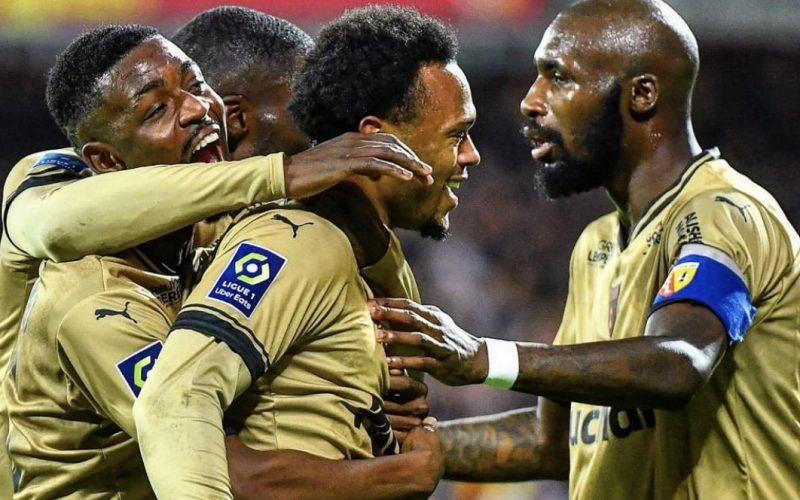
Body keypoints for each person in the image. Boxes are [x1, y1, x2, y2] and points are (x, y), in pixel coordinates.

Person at [371, 0, 800, 498]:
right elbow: (554, 442)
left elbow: (679, 362)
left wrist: (484, 357)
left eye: (559, 77)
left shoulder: (724, 212)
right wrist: (397, 444)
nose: (531, 101)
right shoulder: (596, 245)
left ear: (642, 94)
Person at [0, 17, 431, 499]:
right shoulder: (93, 302)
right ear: (106, 162)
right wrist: (401, 475)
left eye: (195, 83)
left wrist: (363, 395)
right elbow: (225, 464)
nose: (198, 108)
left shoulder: (205, 229)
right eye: (157, 110)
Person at [134, 6, 480, 498]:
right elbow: (177, 402)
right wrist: (394, 476)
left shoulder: (371, 254)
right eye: (457, 135)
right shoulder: (294, 241)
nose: (471, 155)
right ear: (378, 138)